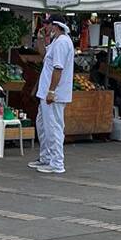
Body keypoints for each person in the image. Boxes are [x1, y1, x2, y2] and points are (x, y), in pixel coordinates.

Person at [31, 18, 75, 173]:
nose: (45, 27)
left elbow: (58, 68)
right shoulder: (57, 42)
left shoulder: (62, 42)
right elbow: (45, 56)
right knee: (43, 126)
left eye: (48, 24)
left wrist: (51, 91)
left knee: (53, 127)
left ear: (56, 26)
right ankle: (46, 158)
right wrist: (41, 39)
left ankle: (57, 162)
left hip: (53, 93)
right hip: (47, 92)